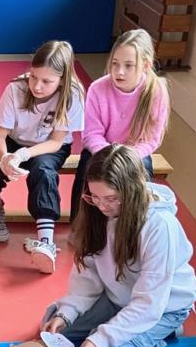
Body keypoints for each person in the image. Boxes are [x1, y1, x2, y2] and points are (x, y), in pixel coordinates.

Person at [42, 144, 196, 347]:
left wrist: (103, 338)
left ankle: (168, 329)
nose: (101, 206)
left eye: (110, 198)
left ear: (131, 190)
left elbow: (150, 300)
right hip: (118, 296)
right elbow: (88, 273)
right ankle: (116, 323)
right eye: (94, 197)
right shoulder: (97, 213)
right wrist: (67, 312)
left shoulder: (159, 225)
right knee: (55, 328)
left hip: (163, 306)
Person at [0, 40, 85, 272]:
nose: (37, 86)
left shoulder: (73, 94)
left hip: (49, 146)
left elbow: (56, 142)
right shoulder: (16, 89)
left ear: (62, 79)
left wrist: (25, 154)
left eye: (47, 81)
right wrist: (6, 157)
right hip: (15, 142)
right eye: (34, 77)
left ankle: (46, 242)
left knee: (43, 172)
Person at [73, 29, 170, 220]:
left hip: (134, 154)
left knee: (142, 172)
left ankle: (135, 224)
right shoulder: (98, 88)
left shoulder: (156, 91)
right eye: (115, 63)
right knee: (87, 167)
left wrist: (126, 157)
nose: (119, 71)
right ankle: (80, 224)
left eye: (129, 65)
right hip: (101, 150)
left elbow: (151, 139)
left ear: (145, 65)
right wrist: (109, 155)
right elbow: (91, 134)